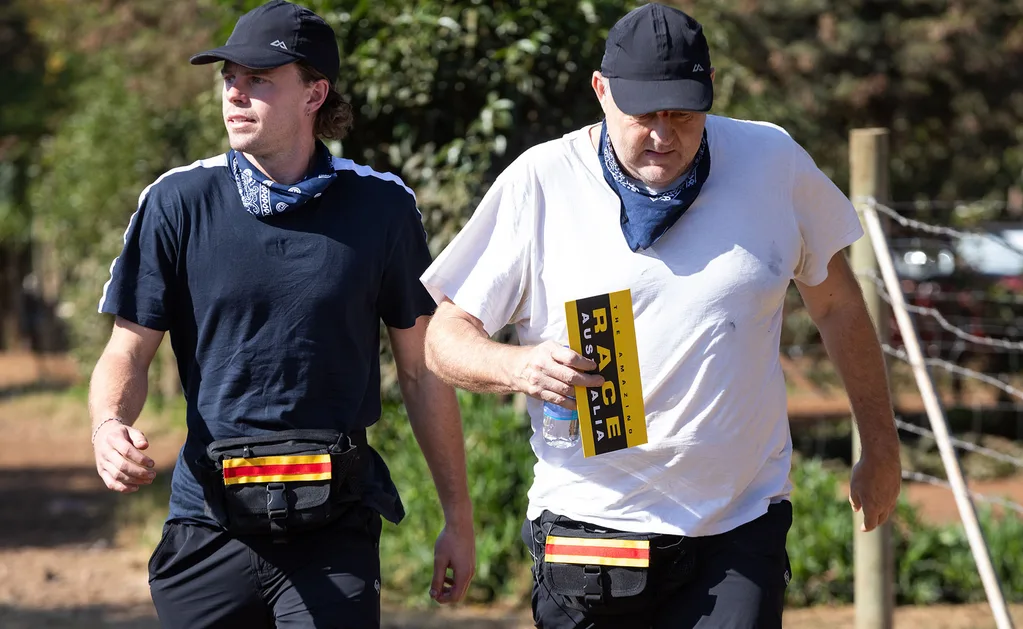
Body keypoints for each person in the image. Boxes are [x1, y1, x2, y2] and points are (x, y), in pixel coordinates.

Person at [420, 3, 901, 628]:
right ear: (601, 91)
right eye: (643, 114)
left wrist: (882, 443)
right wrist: (518, 367)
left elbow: (835, 304)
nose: (663, 134)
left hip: (738, 525)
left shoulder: (772, 162)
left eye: (682, 113)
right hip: (591, 531)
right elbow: (444, 337)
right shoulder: (541, 182)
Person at [88, 1, 475, 627]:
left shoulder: (382, 207)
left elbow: (423, 373)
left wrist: (458, 519)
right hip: (207, 524)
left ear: (315, 92)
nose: (236, 94)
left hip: (334, 529)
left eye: (259, 79)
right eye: (229, 78)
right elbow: (126, 352)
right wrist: (108, 426)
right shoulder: (177, 201)